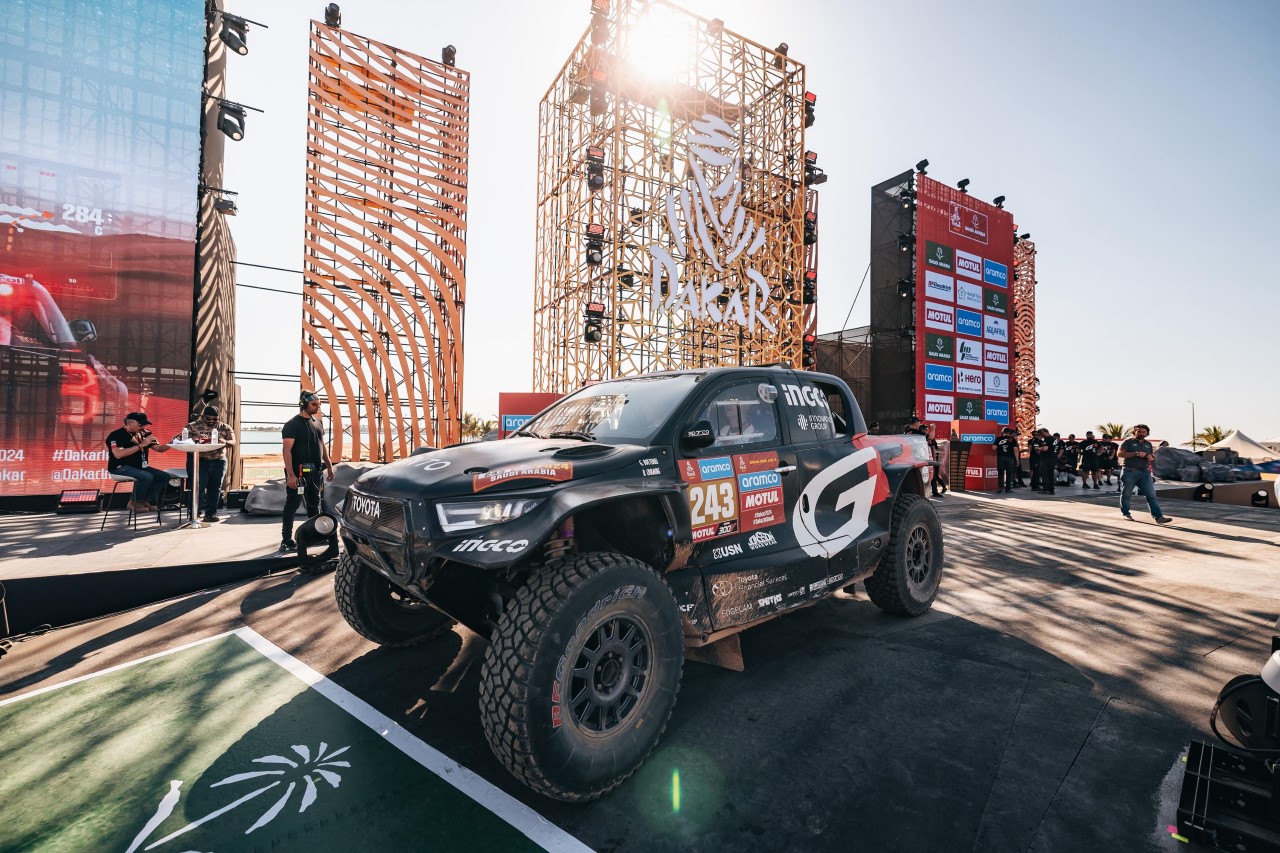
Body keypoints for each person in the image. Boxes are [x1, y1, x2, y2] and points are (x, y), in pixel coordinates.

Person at [281, 391, 335, 551]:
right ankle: (286, 540)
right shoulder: (292, 424)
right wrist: (291, 475)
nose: (317, 407)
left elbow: (322, 446)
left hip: (315, 471)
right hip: (298, 473)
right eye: (314, 404)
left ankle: (316, 535)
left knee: (314, 504)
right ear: (303, 404)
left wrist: (329, 466)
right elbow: (286, 451)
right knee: (292, 505)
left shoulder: (318, 423)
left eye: (319, 404)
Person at [105, 412, 172, 511]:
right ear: (129, 423)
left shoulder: (145, 433)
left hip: (140, 467)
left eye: (145, 424)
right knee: (147, 476)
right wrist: (141, 445)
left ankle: (144, 500)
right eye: (140, 425)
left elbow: (160, 449)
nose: (143, 427)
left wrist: (173, 442)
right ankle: (133, 502)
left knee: (164, 476)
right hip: (120, 467)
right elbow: (118, 454)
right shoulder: (116, 435)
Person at [183, 405, 235, 521]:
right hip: (199, 460)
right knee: (198, 487)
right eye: (209, 418)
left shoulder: (225, 427)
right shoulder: (192, 426)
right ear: (203, 416)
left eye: (215, 419)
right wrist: (195, 438)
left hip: (218, 460)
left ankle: (211, 513)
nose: (212, 421)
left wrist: (225, 441)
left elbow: (233, 442)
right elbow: (182, 440)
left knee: (215, 488)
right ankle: (194, 514)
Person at [1119, 424, 1172, 524]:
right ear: (1134, 432)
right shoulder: (1127, 442)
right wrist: (1136, 453)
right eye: (1139, 431)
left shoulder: (1148, 444)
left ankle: (1159, 517)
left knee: (1151, 495)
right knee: (1126, 494)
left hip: (1145, 473)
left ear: (1147, 433)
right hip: (1130, 471)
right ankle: (1126, 514)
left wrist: (1151, 457)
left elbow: (1151, 456)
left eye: (1143, 432)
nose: (1141, 433)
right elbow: (1120, 453)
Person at [1030, 428, 1057, 494]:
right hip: (1053, 458)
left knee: (1044, 474)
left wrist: (1038, 448)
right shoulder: (1054, 438)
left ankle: (1046, 489)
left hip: (1047, 459)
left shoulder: (1048, 438)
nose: (1040, 436)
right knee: (1050, 474)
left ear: (1043, 432)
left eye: (1040, 434)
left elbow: (1045, 448)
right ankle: (1051, 489)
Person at [995, 427, 1018, 493]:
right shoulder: (1013, 440)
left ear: (1002, 432)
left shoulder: (998, 439)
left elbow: (994, 447)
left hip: (1001, 457)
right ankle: (1008, 489)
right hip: (1010, 458)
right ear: (1010, 433)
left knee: (1000, 473)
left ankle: (1000, 487)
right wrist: (1017, 460)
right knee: (1009, 473)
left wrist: (999, 447)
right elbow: (1015, 450)